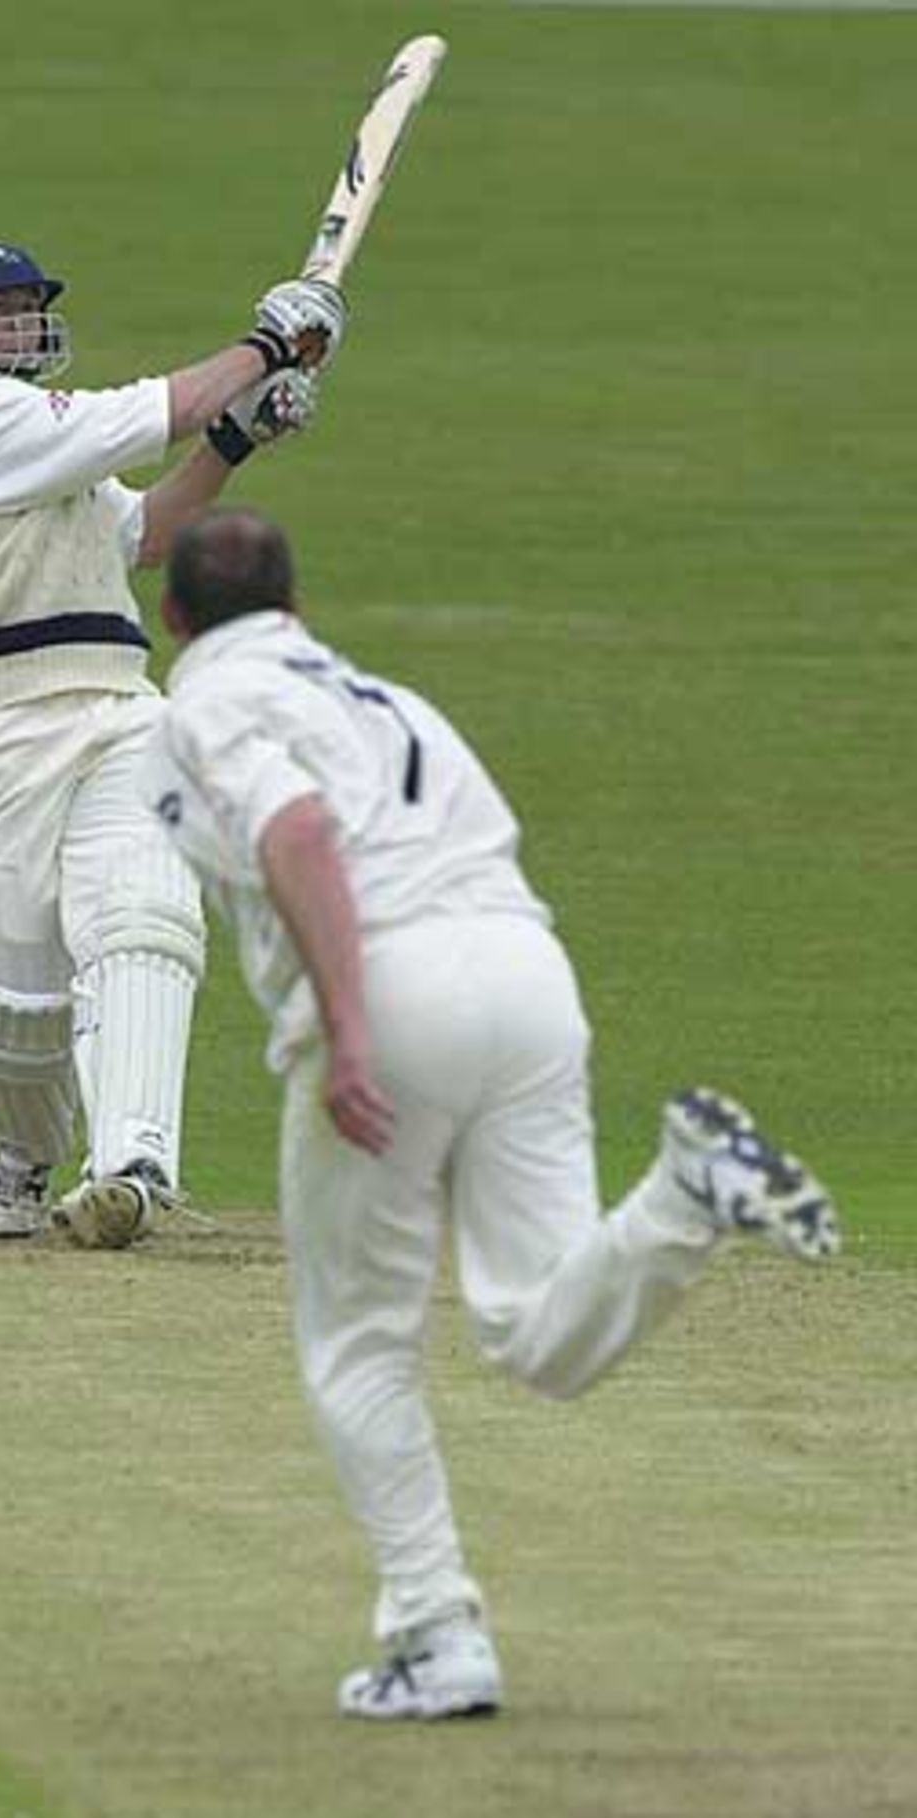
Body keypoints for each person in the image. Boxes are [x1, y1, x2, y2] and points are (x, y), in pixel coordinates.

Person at [140, 507, 842, 1721]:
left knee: (357, 1348)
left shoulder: (199, 708)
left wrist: (350, 1028)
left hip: (392, 990)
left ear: (173, 618)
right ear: (296, 607)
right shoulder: (386, 696)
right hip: (528, 979)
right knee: (535, 1331)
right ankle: (682, 1194)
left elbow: (297, 830)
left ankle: (433, 1633)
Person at [0, 241, 343, 1244]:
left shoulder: (46, 443)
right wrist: (264, 345)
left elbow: (142, 534)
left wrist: (234, 441)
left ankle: (132, 1165)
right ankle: (22, 1158)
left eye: (27, 307)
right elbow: (153, 410)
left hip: (118, 706)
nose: (17, 324)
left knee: (143, 914)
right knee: (19, 992)